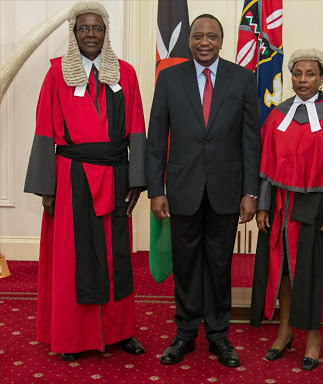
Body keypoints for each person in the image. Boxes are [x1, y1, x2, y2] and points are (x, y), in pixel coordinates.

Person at [24, 2, 146, 361]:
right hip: (72, 176)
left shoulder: (125, 73)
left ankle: (121, 331)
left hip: (115, 173)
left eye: (97, 29)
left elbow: (137, 126)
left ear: (106, 34)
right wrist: (48, 188)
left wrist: (136, 179)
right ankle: (73, 336)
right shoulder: (56, 74)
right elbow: (45, 130)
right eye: (84, 28)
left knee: (115, 256)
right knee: (73, 259)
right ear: (73, 33)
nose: (90, 35)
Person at [146, 14, 260, 368]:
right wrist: (155, 189)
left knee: (220, 265)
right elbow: (155, 139)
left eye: (212, 36)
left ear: (222, 41)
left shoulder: (242, 79)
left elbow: (251, 141)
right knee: (186, 265)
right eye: (198, 36)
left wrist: (250, 192)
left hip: (227, 190)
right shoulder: (168, 78)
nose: (205, 42)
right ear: (190, 40)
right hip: (181, 189)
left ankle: (218, 335)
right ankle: (185, 334)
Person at [250, 48, 323, 371]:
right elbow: (267, 164)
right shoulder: (278, 114)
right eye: (297, 74)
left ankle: (313, 337)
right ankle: (284, 331)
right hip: (281, 207)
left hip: (316, 208)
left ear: (322, 77)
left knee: (311, 274)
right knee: (282, 271)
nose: (302, 80)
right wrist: (264, 206)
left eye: (310, 74)